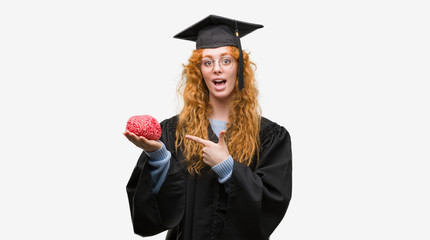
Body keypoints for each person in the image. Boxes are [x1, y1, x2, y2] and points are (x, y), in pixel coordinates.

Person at [124, 15, 292, 240]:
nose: (217, 69)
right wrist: (159, 156)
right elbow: (149, 217)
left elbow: (272, 204)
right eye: (208, 62)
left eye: (226, 60)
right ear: (199, 72)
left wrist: (227, 167)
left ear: (240, 68)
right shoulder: (173, 132)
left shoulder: (270, 137)